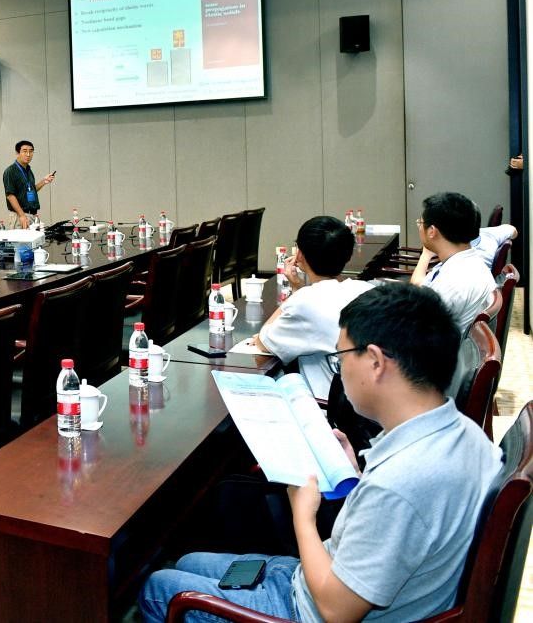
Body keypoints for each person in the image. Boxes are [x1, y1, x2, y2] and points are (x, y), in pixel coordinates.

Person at [138, 282, 502, 623]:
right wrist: (355, 476)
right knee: (189, 561)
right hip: (327, 571)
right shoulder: (465, 435)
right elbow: (404, 524)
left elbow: (336, 610)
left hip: (310, 606)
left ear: (376, 362)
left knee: (159, 588)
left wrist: (303, 514)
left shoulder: (401, 483)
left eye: (341, 355)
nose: (340, 368)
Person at [251, 216, 374, 398]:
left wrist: (296, 293)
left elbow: (264, 341)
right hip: (367, 403)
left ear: (300, 255)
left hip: (325, 408)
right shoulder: (367, 290)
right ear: (348, 256)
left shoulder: (305, 301)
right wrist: (299, 290)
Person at [410, 192, 495, 337]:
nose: (419, 227)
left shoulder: (454, 282)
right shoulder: (465, 262)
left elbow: (416, 329)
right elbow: (421, 289)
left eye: (420, 223)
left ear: (432, 231)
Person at [2, 140, 54, 227]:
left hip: (31, 215)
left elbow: (30, 190)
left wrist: (44, 181)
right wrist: (22, 215)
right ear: (17, 153)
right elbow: (10, 196)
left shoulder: (28, 170)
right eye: (25, 151)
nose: (28, 154)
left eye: (31, 151)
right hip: (19, 216)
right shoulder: (11, 171)